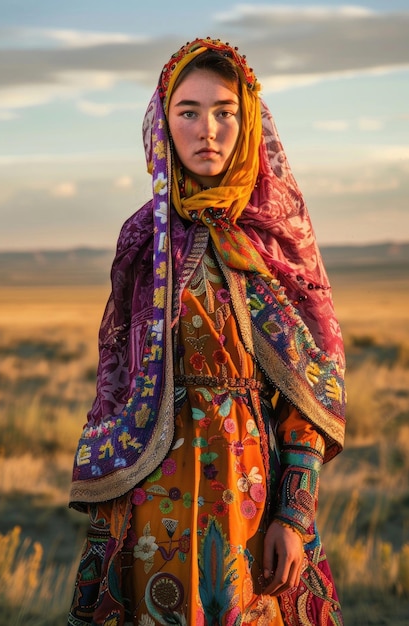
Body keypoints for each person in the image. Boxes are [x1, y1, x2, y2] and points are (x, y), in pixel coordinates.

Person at [67, 38, 346, 626]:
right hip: (149, 503)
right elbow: (121, 386)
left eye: (224, 112)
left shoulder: (274, 241)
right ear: (163, 124)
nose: (208, 131)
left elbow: (309, 389)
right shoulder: (143, 244)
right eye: (188, 112)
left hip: (250, 496)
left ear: (247, 121)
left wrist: (292, 515)